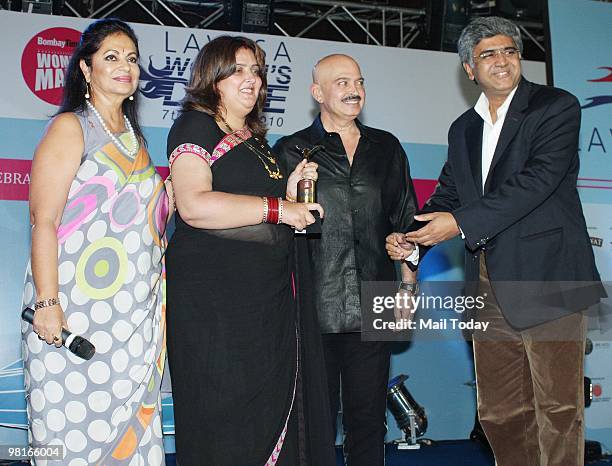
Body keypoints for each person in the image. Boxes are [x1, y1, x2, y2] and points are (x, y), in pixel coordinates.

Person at [387, 16, 606, 466]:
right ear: (469, 69)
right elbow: (449, 195)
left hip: (549, 273)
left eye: (509, 51)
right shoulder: (462, 129)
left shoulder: (555, 105)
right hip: (484, 280)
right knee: (500, 411)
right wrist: (413, 241)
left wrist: (460, 224)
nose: (501, 61)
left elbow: (537, 181)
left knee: (559, 407)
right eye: (488, 54)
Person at [165, 35, 335, 466]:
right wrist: (280, 207)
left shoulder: (256, 141)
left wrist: (291, 190)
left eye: (256, 71)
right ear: (213, 78)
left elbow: (257, 210)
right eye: (238, 70)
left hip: (265, 307)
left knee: (267, 413)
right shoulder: (195, 126)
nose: (251, 79)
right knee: (223, 416)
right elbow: (195, 205)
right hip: (217, 309)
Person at [22, 19, 170, 464]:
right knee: (67, 438)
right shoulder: (71, 127)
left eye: (131, 59)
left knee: (131, 442)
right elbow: (42, 220)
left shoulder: (134, 140)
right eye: (111, 57)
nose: (125, 67)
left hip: (130, 325)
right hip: (73, 316)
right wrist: (48, 304)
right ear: (86, 69)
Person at [274, 54, 419, 466]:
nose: (353, 89)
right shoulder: (292, 150)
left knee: (369, 420)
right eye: (341, 82)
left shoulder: (387, 147)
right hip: (312, 304)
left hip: (376, 299)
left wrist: (407, 289)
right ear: (317, 92)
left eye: (358, 81)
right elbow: (275, 227)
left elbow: (407, 223)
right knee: (314, 422)